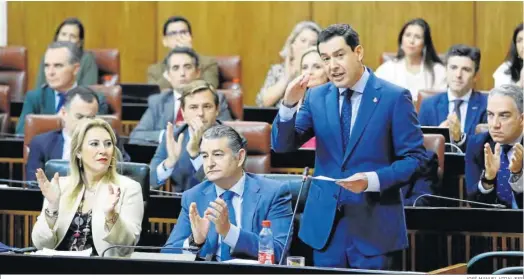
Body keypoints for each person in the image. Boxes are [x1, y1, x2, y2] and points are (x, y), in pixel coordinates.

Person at [271, 24, 428, 269]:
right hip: (326, 230)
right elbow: (283, 146)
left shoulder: (393, 97)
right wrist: (288, 106)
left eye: (339, 55)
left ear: (358, 52)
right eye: (325, 58)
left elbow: (415, 159)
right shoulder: (316, 96)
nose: (332, 65)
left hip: (374, 229)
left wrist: (371, 180)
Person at [162, 125, 293, 262]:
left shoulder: (273, 193)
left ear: (240, 157)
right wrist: (195, 241)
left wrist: (229, 232)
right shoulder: (193, 197)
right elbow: (167, 254)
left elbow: (279, 251)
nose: (210, 163)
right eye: (205, 156)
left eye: (218, 154)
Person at [31, 118, 144, 257]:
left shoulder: (129, 188)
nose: (103, 150)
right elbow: (41, 244)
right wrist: (53, 206)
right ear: (78, 152)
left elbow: (125, 248)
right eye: (94, 144)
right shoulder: (61, 186)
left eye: (108, 144)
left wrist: (111, 215)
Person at [26, 87, 129, 182]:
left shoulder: (109, 140)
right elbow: (34, 186)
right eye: (80, 117)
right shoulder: (41, 143)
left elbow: (125, 174)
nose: (85, 123)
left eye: (91, 118)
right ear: (63, 113)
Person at [130, 47, 232, 143]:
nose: (182, 73)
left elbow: (229, 136)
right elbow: (136, 136)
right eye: (175, 68)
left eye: (188, 67)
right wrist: (170, 135)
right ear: (168, 75)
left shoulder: (215, 98)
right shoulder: (158, 101)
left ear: (198, 72)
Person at [16, 41, 108, 135]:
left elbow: (95, 134)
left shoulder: (95, 100)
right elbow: (21, 133)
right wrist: (56, 121)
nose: (50, 72)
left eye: (58, 66)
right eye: (47, 66)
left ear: (75, 69)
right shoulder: (35, 97)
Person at [149, 80, 222, 192]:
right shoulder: (174, 137)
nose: (200, 113)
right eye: (193, 107)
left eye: (207, 106)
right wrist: (169, 163)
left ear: (217, 110)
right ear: (183, 112)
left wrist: (196, 156)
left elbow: (219, 185)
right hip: (179, 206)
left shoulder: (233, 140)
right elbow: (151, 180)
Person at [418, 44, 487, 152]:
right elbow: (418, 147)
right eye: (453, 68)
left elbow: (485, 147)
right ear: (446, 70)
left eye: (466, 69)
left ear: (475, 76)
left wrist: (460, 138)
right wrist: (437, 137)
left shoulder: (486, 106)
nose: (458, 74)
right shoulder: (428, 105)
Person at [465, 84, 523, 209]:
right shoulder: (477, 145)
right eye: (490, 115)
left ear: (522, 119)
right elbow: (474, 203)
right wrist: (488, 179)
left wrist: (518, 175)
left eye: (504, 115)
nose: (495, 124)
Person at [375, 18, 446, 102]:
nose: (411, 41)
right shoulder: (387, 69)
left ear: (425, 44)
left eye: (417, 37)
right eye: (408, 35)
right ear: (401, 40)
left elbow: (442, 103)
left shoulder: (438, 71)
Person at [256, 21, 322, 108]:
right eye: (303, 41)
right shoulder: (278, 70)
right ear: (292, 43)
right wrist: (287, 78)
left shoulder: (318, 71)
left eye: (313, 43)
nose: (307, 46)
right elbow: (263, 103)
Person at [148, 16, 219, 91]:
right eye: (173, 34)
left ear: (191, 37)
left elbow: (210, 89)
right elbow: (154, 96)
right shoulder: (154, 70)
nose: (178, 38)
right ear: (165, 41)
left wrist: (189, 56)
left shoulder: (208, 63)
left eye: (183, 33)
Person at [35, 18, 98, 89]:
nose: (67, 39)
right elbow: (39, 88)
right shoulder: (48, 57)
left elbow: (89, 92)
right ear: (57, 37)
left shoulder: (87, 59)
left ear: (79, 43)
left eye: (73, 36)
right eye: (63, 34)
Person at [298, 47, 329, 149]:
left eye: (317, 67)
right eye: (305, 67)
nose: (309, 72)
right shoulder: (294, 102)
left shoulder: (338, 102)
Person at [493, 23, 523, 88]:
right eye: (519, 40)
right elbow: (500, 97)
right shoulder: (505, 69)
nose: (523, 45)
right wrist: (520, 84)